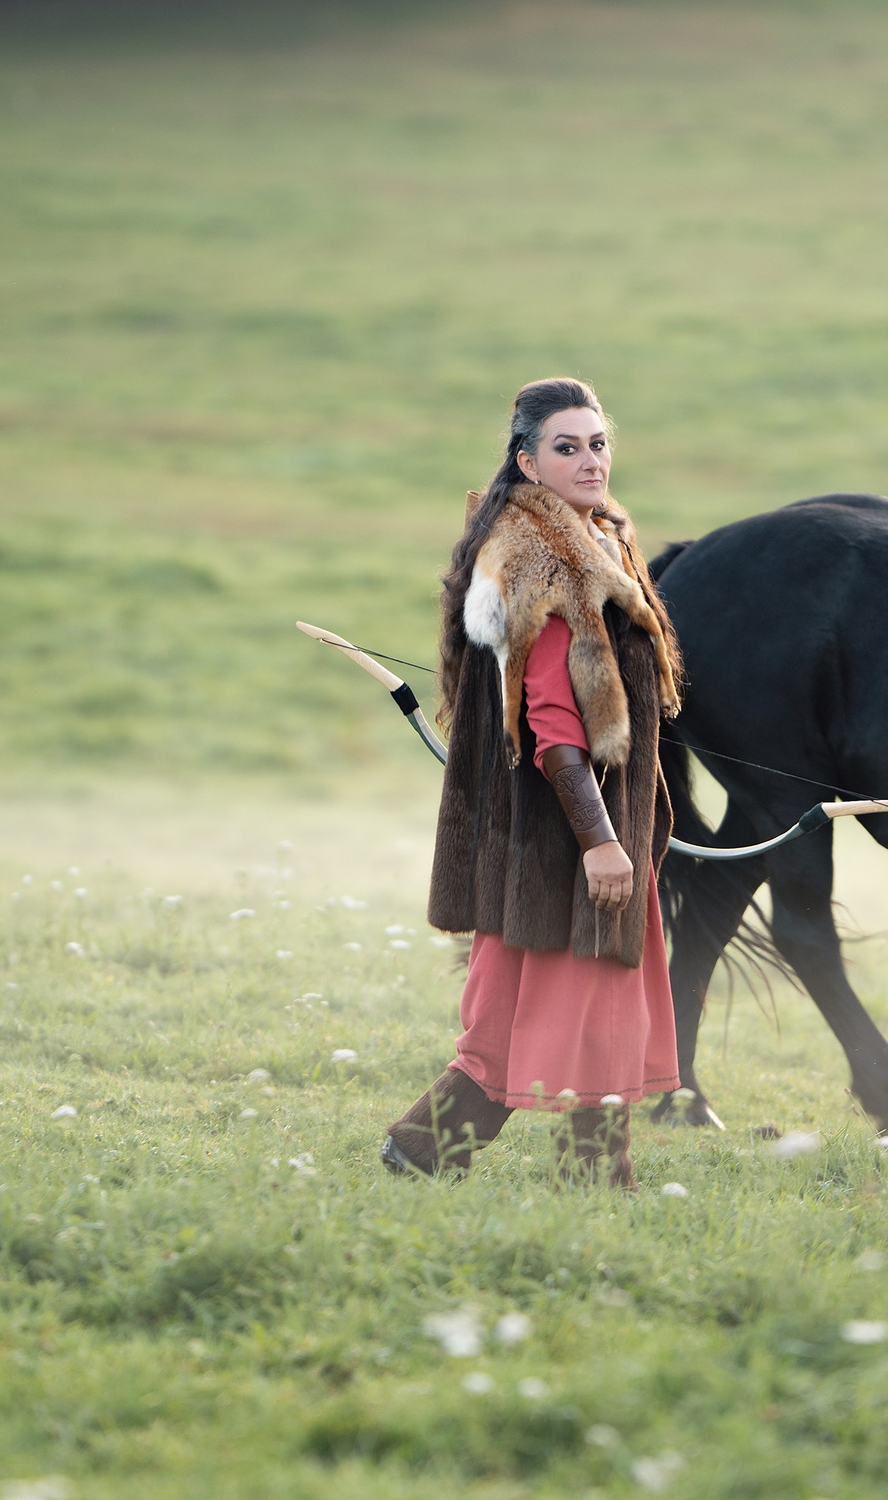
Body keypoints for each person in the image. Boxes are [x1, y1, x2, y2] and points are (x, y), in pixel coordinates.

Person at [383, 377, 684, 1187]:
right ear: (527, 460)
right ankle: (586, 1175)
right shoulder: (543, 556)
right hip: (569, 835)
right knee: (571, 1005)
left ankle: (435, 1151)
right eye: (567, 446)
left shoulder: (597, 539)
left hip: (587, 831)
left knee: (572, 1007)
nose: (591, 459)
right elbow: (551, 718)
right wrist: (601, 843)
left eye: (598, 443)